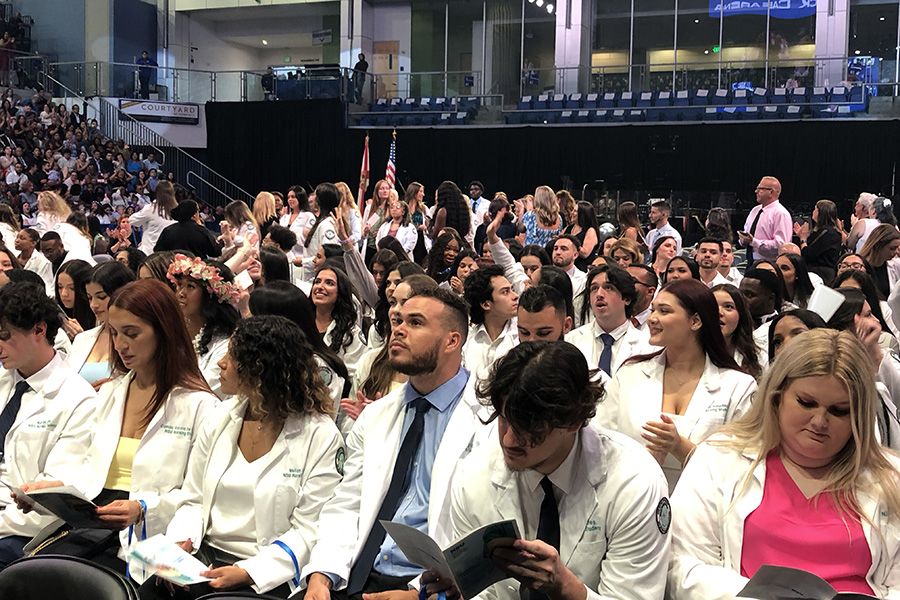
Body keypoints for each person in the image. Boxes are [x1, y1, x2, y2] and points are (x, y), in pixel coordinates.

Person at [668, 329, 900, 599]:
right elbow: (684, 565)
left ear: (858, 416)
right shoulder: (718, 458)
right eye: (806, 403)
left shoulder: (891, 477)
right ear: (777, 397)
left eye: (839, 411)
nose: (819, 422)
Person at [16, 280, 217, 578]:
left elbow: (199, 496)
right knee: (32, 576)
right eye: (114, 332)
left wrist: (144, 508)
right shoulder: (110, 393)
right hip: (91, 525)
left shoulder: (200, 405)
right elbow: (87, 469)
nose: (120, 345)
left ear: (164, 332)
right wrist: (53, 490)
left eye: (132, 334)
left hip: (148, 536)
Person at [300, 288, 490, 599]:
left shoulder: (489, 419)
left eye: (415, 323)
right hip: (356, 575)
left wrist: (419, 593)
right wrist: (322, 573)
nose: (398, 329)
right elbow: (347, 503)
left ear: (452, 341)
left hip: (431, 586)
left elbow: (481, 526)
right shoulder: (376, 415)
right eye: (398, 320)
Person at [443, 341, 671, 600]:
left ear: (573, 421)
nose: (508, 440)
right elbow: (485, 593)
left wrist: (566, 588)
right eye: (504, 419)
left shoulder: (634, 481)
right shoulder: (474, 474)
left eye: (528, 426)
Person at [139, 316, 344, 598]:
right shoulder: (221, 417)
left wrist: (249, 571)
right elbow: (193, 499)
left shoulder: (320, 436)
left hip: (268, 572)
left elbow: (310, 529)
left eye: (232, 356)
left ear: (260, 369)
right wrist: (179, 544)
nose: (221, 362)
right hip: (203, 557)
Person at [597, 279, 756, 490]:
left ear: (695, 321)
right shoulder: (629, 374)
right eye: (653, 310)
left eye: (664, 311)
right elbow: (602, 442)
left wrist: (681, 448)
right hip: (633, 501)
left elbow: (741, 467)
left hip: (703, 509)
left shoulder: (738, 386)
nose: (652, 319)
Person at [0, 282, 97, 567]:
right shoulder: (6, 378)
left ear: (39, 331)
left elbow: (49, 499)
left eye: (5, 336)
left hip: (24, 527)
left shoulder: (78, 399)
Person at [167, 255, 241, 399]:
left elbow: (208, 393)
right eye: (179, 285)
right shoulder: (176, 334)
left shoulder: (225, 345)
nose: (181, 294)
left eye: (190, 286)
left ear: (211, 297)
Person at [565, 265, 651, 378]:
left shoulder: (647, 346)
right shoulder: (571, 340)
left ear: (626, 298)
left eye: (609, 288)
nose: (599, 294)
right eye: (594, 288)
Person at [67, 262, 136, 386]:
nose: (94, 305)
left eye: (102, 297)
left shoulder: (137, 339)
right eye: (90, 298)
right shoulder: (82, 339)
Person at [462, 265, 519, 382]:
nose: (515, 296)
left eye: (512, 289)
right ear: (486, 304)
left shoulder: (522, 335)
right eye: (505, 292)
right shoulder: (467, 339)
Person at [311, 265, 366, 379]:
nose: (320, 287)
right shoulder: (300, 324)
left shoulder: (352, 332)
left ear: (341, 292)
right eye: (317, 282)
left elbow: (354, 376)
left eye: (329, 283)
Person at [711, 284, 764, 379]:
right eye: (712, 306)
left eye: (728, 307)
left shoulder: (758, 356)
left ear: (741, 314)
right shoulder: (690, 355)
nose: (719, 312)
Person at [738, 176, 793, 263]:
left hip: (769, 263)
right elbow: (747, 233)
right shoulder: (755, 210)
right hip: (750, 261)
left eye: (760, 189)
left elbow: (781, 245)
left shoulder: (781, 213)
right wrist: (743, 240)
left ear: (771, 192)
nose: (756, 191)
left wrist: (754, 242)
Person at [154, 200, 222, 258]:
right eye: (198, 211)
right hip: (197, 270)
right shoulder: (201, 231)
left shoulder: (168, 230)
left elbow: (158, 251)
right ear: (194, 214)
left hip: (173, 268)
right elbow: (216, 252)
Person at [797, 199, 841, 282]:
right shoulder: (826, 232)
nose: (813, 212)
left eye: (815, 209)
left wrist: (803, 239)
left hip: (820, 274)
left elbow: (808, 254)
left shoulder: (827, 233)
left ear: (821, 212)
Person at [129, 181, 176, 255]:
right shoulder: (178, 210)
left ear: (157, 193)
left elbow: (132, 220)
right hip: (169, 254)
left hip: (149, 254)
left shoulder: (151, 208)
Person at [56, 259, 95, 340]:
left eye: (71, 288)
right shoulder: (56, 314)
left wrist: (82, 338)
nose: (64, 294)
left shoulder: (97, 315)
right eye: (60, 287)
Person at [859, 224, 900, 300]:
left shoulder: (896, 265)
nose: (895, 252)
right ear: (878, 245)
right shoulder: (860, 267)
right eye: (892, 248)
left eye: (897, 248)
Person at [14, 228, 53, 295]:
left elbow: (47, 284)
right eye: (17, 237)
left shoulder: (43, 262)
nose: (17, 240)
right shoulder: (13, 257)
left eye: (22, 238)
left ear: (33, 243)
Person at [280, 186, 316, 259]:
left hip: (301, 257)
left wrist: (288, 237)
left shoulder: (308, 216)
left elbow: (309, 239)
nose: (290, 199)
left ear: (300, 198)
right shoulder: (284, 218)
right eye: (288, 197)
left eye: (293, 197)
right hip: (284, 257)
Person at [565, 201, 600, 271]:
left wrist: (571, 242)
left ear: (582, 214)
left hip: (582, 268)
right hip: (569, 267)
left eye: (575, 211)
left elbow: (585, 253)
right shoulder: (570, 228)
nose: (572, 213)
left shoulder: (590, 231)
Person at [551, 234, 587, 303]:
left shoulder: (584, 280)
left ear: (575, 255)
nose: (558, 252)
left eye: (563, 249)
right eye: (555, 249)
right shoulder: (542, 275)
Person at [627, 264, 658, 329]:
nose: (624, 285)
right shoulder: (610, 316)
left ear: (650, 291)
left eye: (631, 281)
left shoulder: (659, 322)